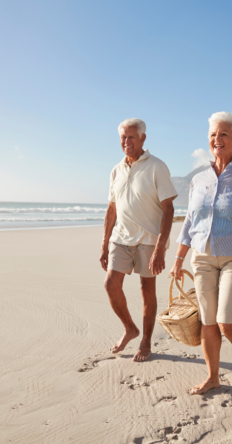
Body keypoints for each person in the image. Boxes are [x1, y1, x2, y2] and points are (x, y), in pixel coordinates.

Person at [169, 111, 232, 394]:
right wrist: (179, 258)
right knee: (208, 320)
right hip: (201, 257)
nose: (217, 139)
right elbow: (190, 221)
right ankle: (213, 376)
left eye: (223, 134)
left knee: (227, 321)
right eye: (213, 135)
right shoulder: (198, 180)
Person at [100, 118, 178, 362]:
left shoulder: (157, 166)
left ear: (143, 138)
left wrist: (160, 248)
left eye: (131, 137)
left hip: (149, 238)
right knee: (111, 284)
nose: (126, 142)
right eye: (123, 137)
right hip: (121, 237)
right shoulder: (116, 169)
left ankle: (145, 341)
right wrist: (104, 243)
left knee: (147, 290)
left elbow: (169, 209)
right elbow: (112, 209)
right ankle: (130, 329)